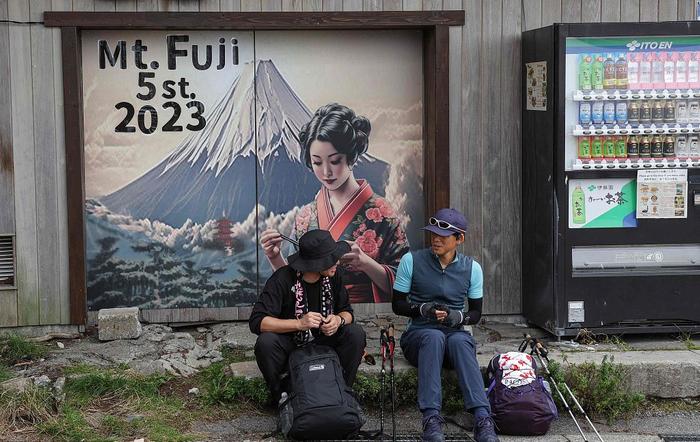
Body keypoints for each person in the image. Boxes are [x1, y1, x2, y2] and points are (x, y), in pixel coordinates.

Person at [260, 103, 409, 304]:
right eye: (317, 162)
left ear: (351, 156)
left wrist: (365, 263)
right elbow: (294, 288)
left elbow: (407, 283)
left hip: (363, 315)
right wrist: (275, 258)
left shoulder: (382, 213)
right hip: (314, 316)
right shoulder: (306, 216)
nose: (326, 172)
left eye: (335, 160)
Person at [392, 208, 499, 442]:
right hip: (419, 337)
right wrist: (422, 309)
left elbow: (476, 312)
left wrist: (458, 318)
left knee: (462, 340)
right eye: (433, 234)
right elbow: (397, 305)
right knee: (434, 337)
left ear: (459, 238)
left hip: (452, 339)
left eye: (443, 236)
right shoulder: (411, 261)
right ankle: (431, 419)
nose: (436, 239)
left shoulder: (472, 269)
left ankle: (482, 418)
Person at [249, 229, 367, 406]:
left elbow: (347, 312)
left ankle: (343, 392)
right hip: (291, 344)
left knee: (355, 334)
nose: (337, 262)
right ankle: (282, 398)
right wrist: (299, 323)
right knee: (266, 343)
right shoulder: (283, 279)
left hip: (325, 342)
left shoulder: (335, 276)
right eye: (331, 259)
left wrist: (338, 320)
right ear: (316, 264)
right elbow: (258, 322)